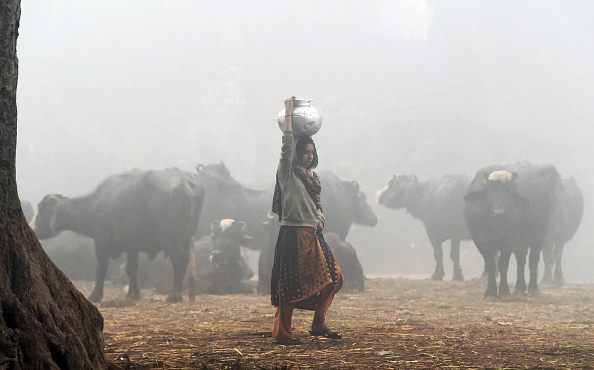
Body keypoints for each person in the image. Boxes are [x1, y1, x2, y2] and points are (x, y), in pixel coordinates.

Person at [270, 96, 344, 345]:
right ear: (296, 154)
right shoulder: (287, 173)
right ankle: (282, 333)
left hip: (314, 234)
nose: (309, 156)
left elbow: (317, 206)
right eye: (305, 152)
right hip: (293, 233)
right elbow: (286, 146)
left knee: (335, 278)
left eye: (312, 152)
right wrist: (289, 114)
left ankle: (318, 322)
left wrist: (320, 219)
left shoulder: (313, 178)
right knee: (289, 288)